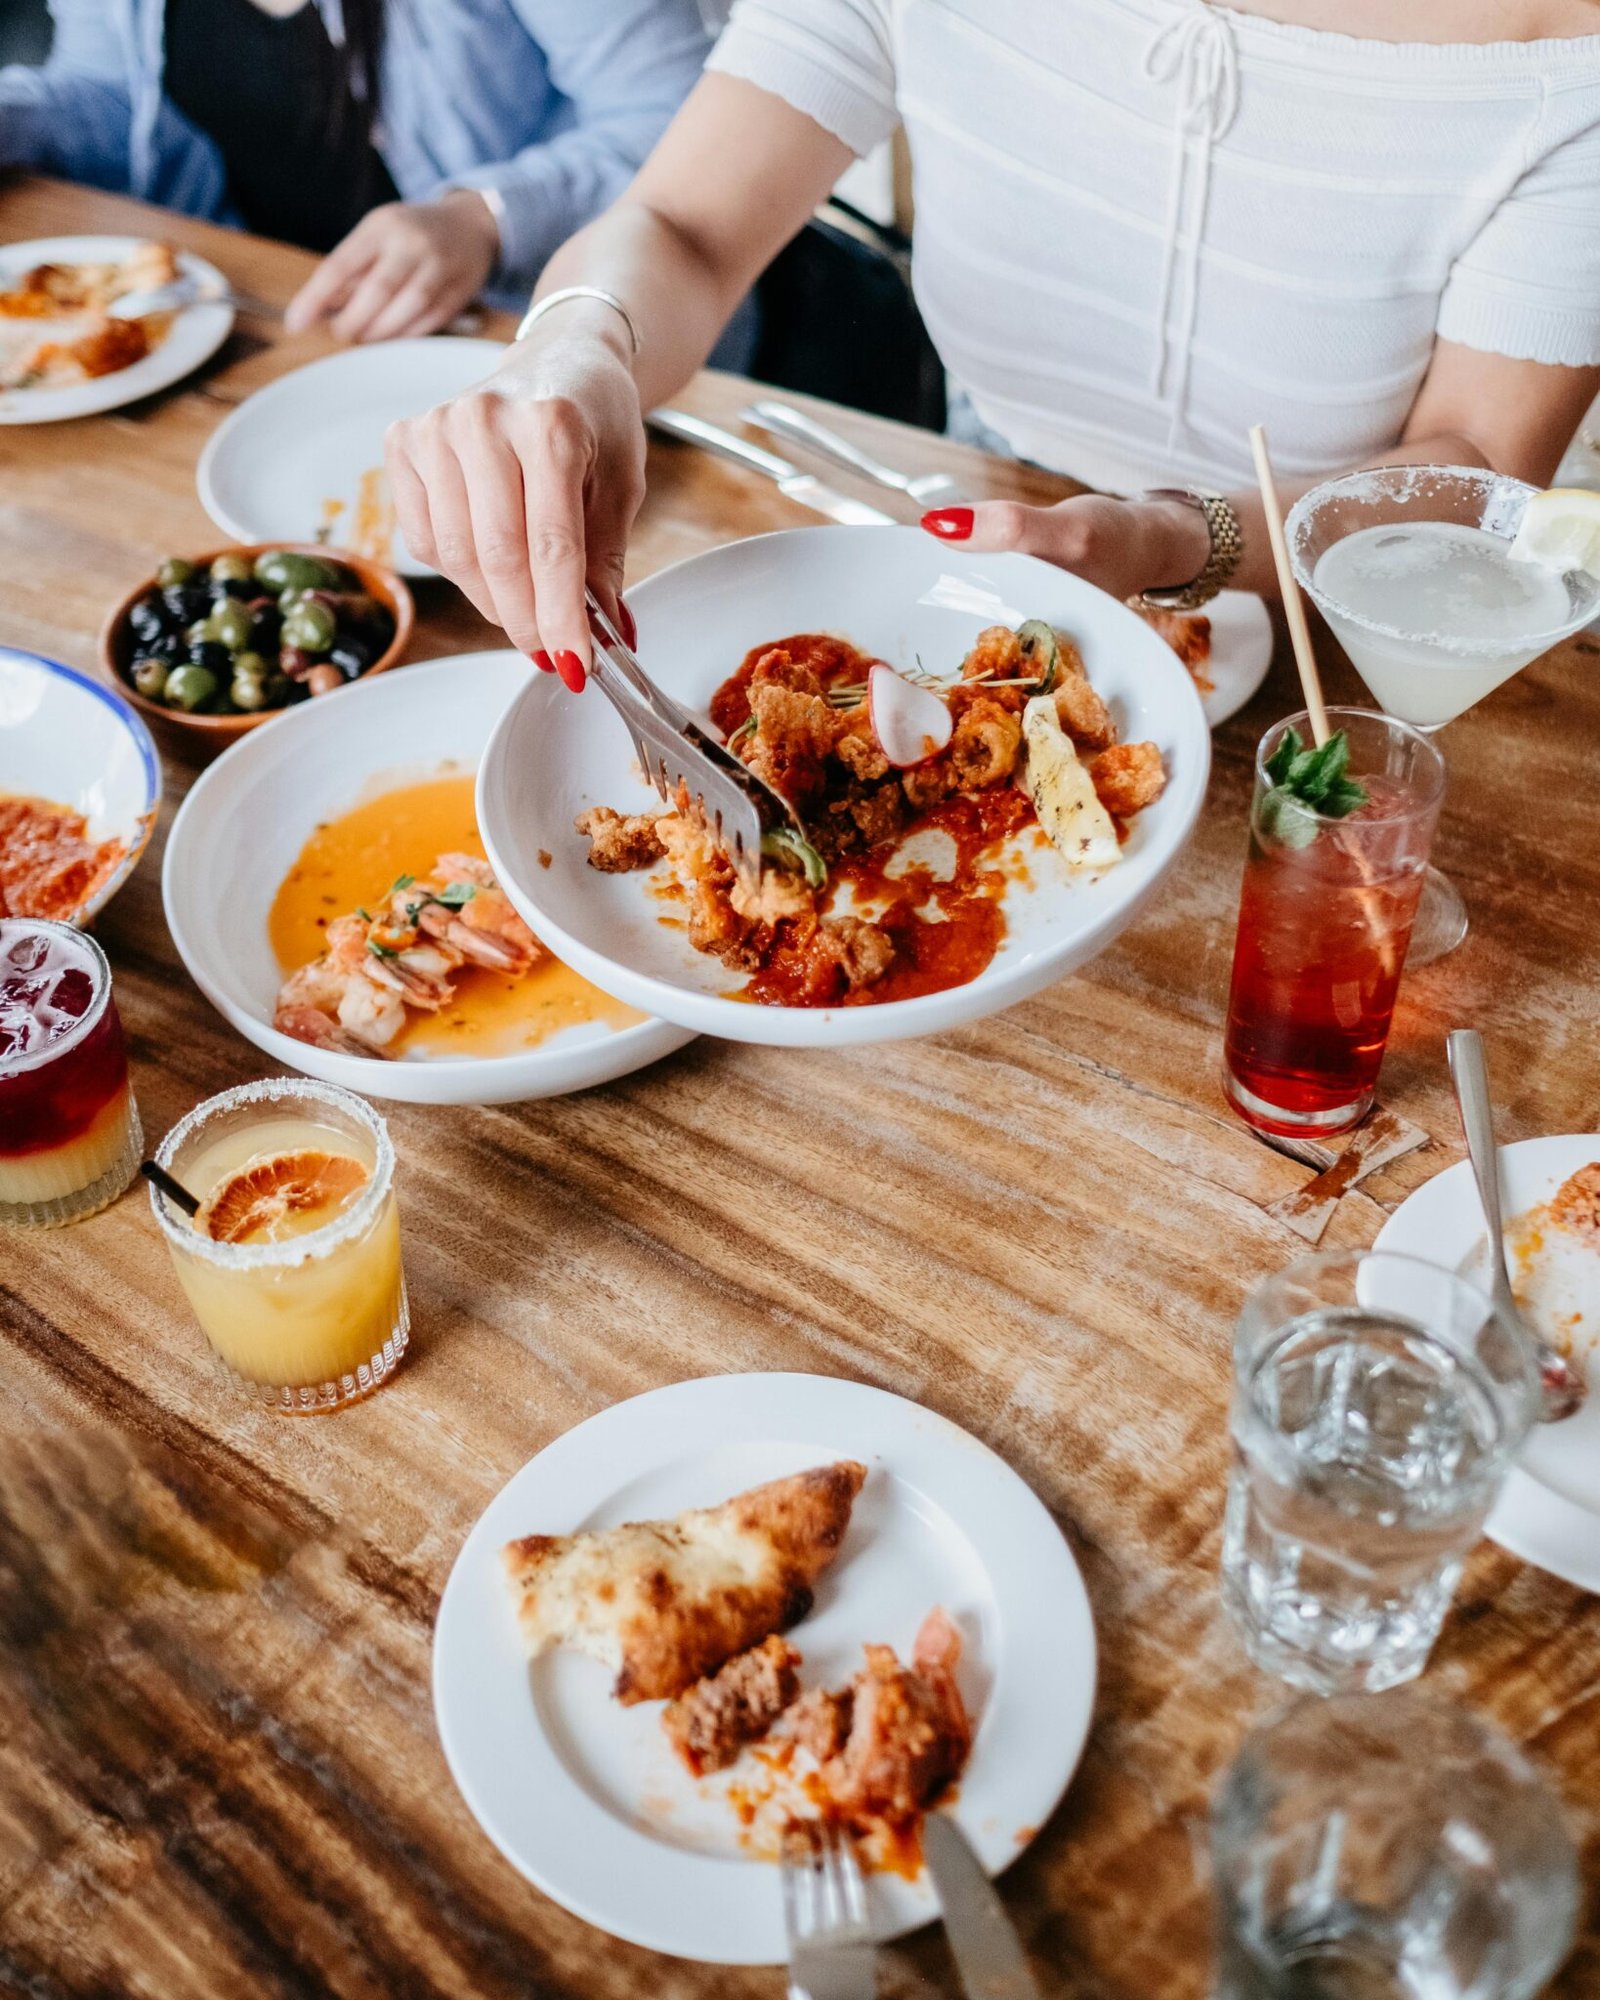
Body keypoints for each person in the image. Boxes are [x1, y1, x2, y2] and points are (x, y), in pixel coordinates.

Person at [384, 0, 1600, 693]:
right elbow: (678, 228)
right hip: (988, 504)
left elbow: (1477, 470)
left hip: (1384, 646)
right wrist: (578, 349)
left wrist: (1165, 537)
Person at [0, 0, 717, 340]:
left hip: (545, 331)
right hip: (263, 320)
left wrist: (483, 218)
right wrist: (17, 118)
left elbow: (692, 116)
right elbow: (115, 94)